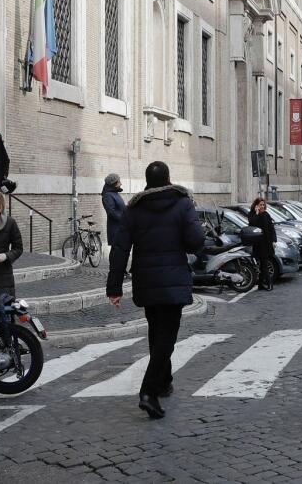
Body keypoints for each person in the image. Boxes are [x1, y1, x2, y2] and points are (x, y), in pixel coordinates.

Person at [107, 161, 204, 420]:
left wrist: (114, 286)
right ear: (169, 178)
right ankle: (148, 391)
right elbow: (196, 242)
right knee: (166, 338)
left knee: (156, 332)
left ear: (147, 181)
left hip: (146, 280)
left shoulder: (134, 209)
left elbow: (120, 248)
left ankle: (163, 381)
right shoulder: (183, 203)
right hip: (173, 279)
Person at [247, 198, 278, 291]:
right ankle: (267, 284)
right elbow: (252, 224)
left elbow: (272, 228)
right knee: (262, 265)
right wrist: (256, 213)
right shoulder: (252, 214)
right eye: (260, 205)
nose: (262, 206)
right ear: (256, 205)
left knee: (264, 264)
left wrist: (274, 240)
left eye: (263, 205)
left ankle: (263, 284)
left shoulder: (266, 214)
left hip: (267, 243)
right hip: (258, 244)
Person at [102, 173, 128, 254]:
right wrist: (124, 219)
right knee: (116, 252)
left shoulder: (115, 194)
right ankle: (114, 267)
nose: (121, 183)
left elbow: (120, 209)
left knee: (120, 252)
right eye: (119, 181)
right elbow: (111, 212)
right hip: (115, 229)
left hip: (121, 228)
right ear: (114, 183)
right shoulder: (108, 195)